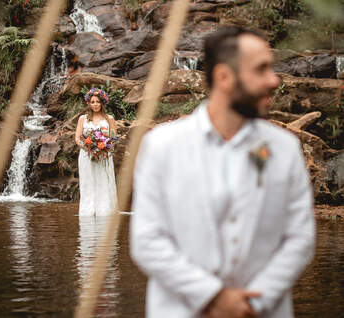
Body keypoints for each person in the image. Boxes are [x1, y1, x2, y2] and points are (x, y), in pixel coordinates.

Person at [130, 27, 315, 318]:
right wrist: (212, 297)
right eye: (261, 69)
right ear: (224, 77)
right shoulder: (161, 146)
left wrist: (254, 303)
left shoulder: (286, 148)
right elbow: (147, 241)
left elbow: (300, 238)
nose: (274, 80)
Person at [75, 88, 118, 217]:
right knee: (88, 181)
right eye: (92, 102)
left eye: (98, 102)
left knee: (103, 180)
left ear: (102, 103)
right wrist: (88, 147)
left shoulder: (109, 119)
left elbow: (114, 137)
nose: (95, 104)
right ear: (88, 103)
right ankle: (88, 210)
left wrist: (104, 148)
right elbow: (77, 138)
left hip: (103, 155)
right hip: (86, 155)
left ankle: (105, 211)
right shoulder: (83, 119)